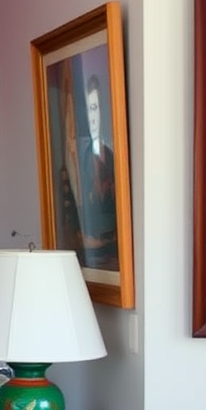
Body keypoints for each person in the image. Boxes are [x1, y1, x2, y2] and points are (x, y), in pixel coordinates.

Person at [78, 72, 117, 268]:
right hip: (92, 246)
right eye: (88, 110)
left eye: (95, 108)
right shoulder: (81, 158)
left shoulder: (112, 155)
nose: (92, 118)